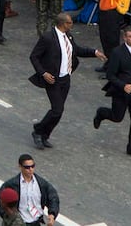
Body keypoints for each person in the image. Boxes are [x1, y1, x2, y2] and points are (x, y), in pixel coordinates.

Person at [28, 12, 104, 150]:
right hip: (53, 80)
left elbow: (76, 50)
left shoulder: (68, 36)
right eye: (69, 22)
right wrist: (43, 73)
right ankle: (38, 131)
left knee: (59, 111)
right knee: (57, 110)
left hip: (65, 79)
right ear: (63, 24)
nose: (72, 24)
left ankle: (45, 135)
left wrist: (94, 52)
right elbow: (34, 57)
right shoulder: (48, 38)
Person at [93, 26, 131, 159]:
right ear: (125, 38)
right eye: (130, 36)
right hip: (121, 91)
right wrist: (123, 86)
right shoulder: (117, 53)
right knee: (117, 117)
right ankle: (101, 113)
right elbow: (110, 75)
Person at [79, 0, 128, 68]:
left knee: (111, 41)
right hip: (105, 13)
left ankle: (113, 67)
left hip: (111, 14)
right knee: (105, 39)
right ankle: (108, 64)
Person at [0, 154, 60, 226]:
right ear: (20, 167)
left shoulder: (41, 184)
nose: (30, 169)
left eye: (32, 166)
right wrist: (9, 218)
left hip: (36, 222)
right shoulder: (11, 184)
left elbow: (53, 196)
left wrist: (52, 214)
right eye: (27, 167)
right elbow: (1, 199)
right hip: (20, 222)